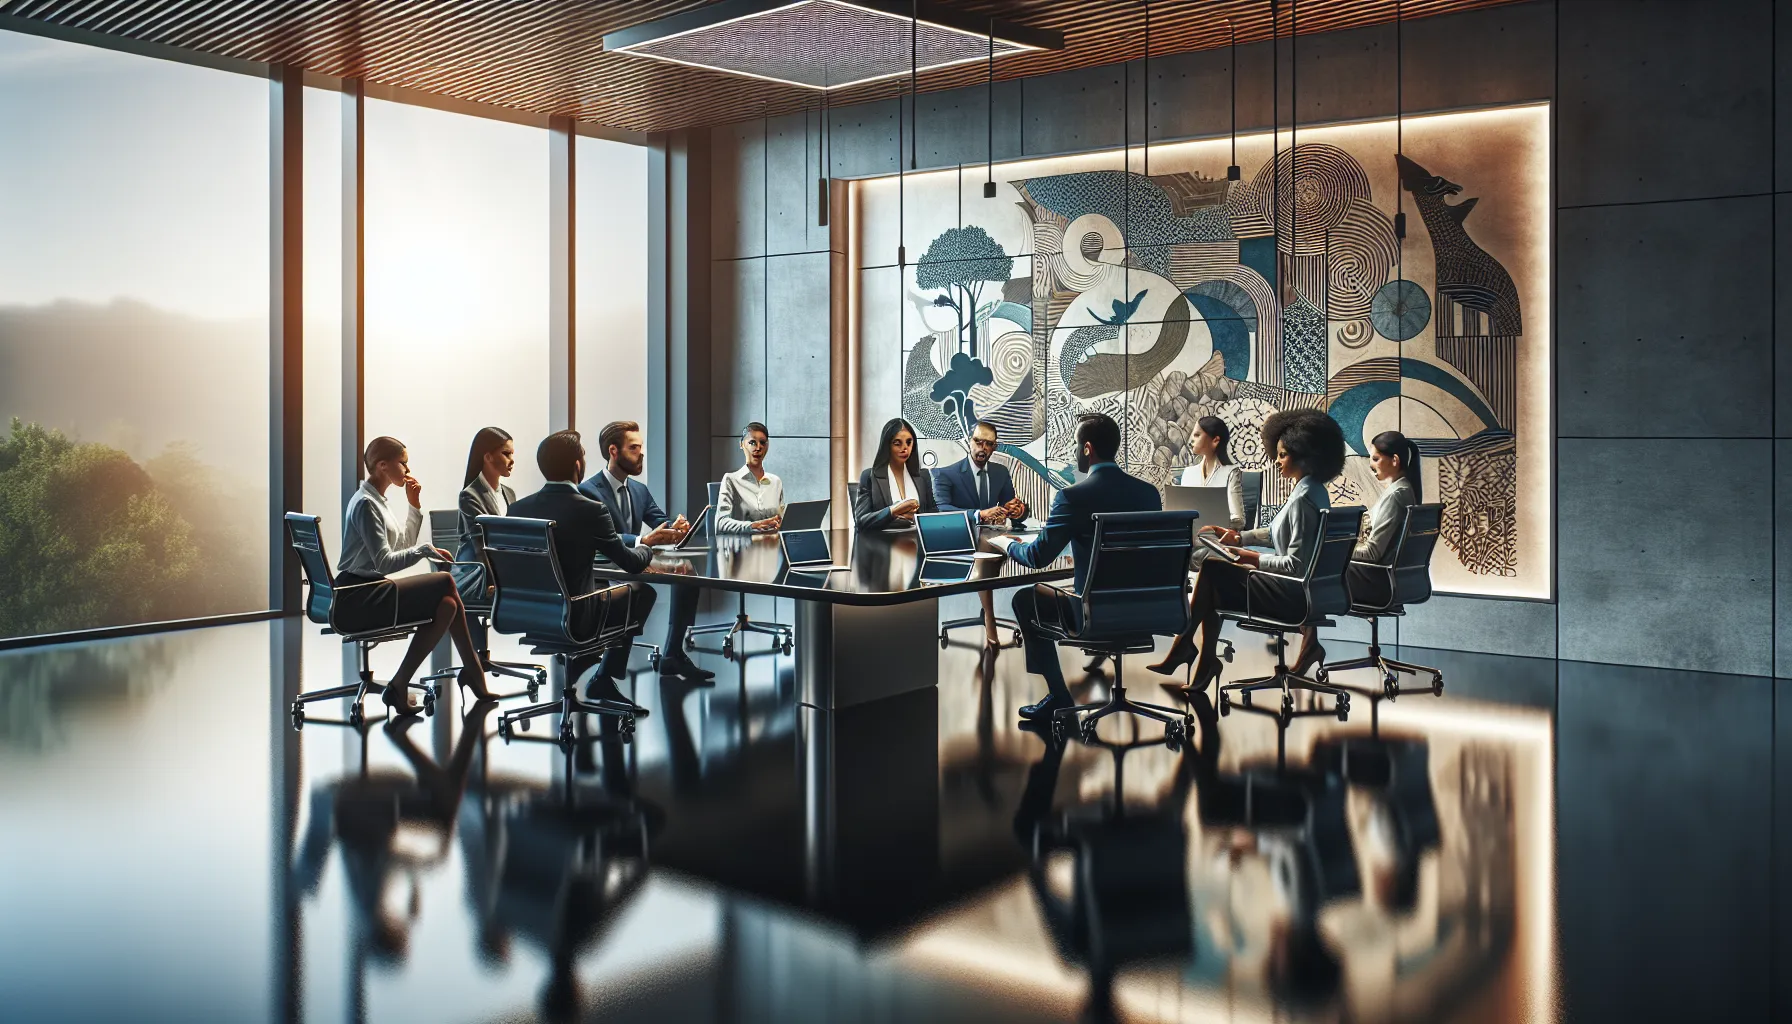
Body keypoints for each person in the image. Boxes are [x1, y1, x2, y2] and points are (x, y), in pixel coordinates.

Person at [1148, 409, 1347, 689]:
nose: (1276, 461)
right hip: (1308, 591)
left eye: (1283, 455)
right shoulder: (1311, 490)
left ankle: (1188, 647)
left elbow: (1296, 566)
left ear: (1305, 456)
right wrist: (1239, 538)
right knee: (1213, 576)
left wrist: (1251, 558)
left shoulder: (1303, 499)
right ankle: (1202, 658)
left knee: (1212, 572)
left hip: (1293, 595)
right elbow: (1277, 532)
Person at [989, 413, 1161, 720]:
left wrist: (1007, 544)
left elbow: (1038, 557)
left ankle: (1058, 694)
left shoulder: (1072, 497)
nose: (1073, 450)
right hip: (1146, 610)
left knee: (1025, 599)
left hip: (1093, 615)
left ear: (1087, 449)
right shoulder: (1148, 494)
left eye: (1076, 444)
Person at [335, 436, 493, 710]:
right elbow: (386, 563)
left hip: (370, 589)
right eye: (403, 464)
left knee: (447, 605)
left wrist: (413, 506)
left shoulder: (377, 501)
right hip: (357, 596)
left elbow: (401, 548)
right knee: (445, 580)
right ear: (382, 465)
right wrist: (424, 550)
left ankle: (401, 683)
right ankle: (474, 671)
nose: (408, 471)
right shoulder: (366, 504)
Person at [509, 430, 661, 702]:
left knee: (602, 585)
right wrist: (648, 547)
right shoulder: (591, 509)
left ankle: (585, 657)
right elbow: (629, 563)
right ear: (578, 466)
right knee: (641, 591)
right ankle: (602, 676)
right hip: (576, 615)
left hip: (527, 613)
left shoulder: (518, 509)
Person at [578, 420, 713, 682]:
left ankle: (673, 655)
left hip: (632, 560)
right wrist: (642, 540)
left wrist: (676, 525)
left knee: (687, 574)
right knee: (640, 592)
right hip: (604, 565)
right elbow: (602, 539)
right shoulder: (589, 491)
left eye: (641, 447)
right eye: (634, 448)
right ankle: (605, 673)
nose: (641, 453)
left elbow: (658, 519)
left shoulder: (639, 490)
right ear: (613, 451)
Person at [933, 419, 1029, 646]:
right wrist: (979, 515)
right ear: (969, 441)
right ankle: (990, 616)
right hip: (960, 541)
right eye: (978, 442)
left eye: (988, 444)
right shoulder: (946, 474)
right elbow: (941, 509)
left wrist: (1019, 510)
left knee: (993, 546)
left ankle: (989, 613)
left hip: (994, 539)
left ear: (994, 447)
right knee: (986, 550)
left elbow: (1010, 506)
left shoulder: (1000, 472)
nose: (982, 448)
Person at [1346, 430, 1422, 606]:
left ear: (1394, 460)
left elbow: (1372, 554)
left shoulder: (1397, 495)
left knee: (1315, 567)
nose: (1370, 465)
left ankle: (1307, 631)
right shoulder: (1402, 491)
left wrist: (1336, 551)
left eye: (1375, 459)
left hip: (1375, 581)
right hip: (1387, 579)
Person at [451, 426, 517, 605]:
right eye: (506, 454)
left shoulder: (509, 493)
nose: (512, 460)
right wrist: (492, 581)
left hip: (502, 569)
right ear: (487, 457)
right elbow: (481, 545)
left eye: (512, 454)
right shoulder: (470, 495)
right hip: (476, 572)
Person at [854, 417, 938, 532]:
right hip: (883, 544)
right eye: (897, 443)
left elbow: (934, 514)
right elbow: (861, 521)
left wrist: (915, 518)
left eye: (909, 442)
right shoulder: (870, 476)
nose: (905, 448)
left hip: (918, 542)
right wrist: (893, 511)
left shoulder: (923, 476)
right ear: (887, 445)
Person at [1176, 415, 1245, 532]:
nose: (1191, 440)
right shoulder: (1188, 473)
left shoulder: (1231, 472)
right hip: (1191, 537)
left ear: (1215, 440)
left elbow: (1238, 520)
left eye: (1197, 435)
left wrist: (1216, 527)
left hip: (1218, 539)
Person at [715, 421, 783, 534]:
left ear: (768, 445)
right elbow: (721, 523)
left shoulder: (776, 482)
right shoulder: (731, 480)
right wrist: (754, 526)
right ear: (741, 444)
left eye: (762, 443)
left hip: (772, 546)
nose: (758, 447)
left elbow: (782, 520)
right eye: (752, 442)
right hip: (742, 547)